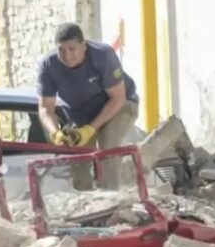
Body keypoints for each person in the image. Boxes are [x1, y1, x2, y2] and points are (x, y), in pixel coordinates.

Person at [37, 22, 139, 190]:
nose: (67, 56)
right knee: (77, 155)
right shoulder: (48, 66)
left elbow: (118, 98)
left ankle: (110, 197)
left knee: (107, 145)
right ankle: (85, 199)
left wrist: (91, 129)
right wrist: (55, 133)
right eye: (61, 50)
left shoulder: (103, 55)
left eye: (72, 49)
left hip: (120, 105)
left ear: (84, 46)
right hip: (82, 113)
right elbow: (45, 108)